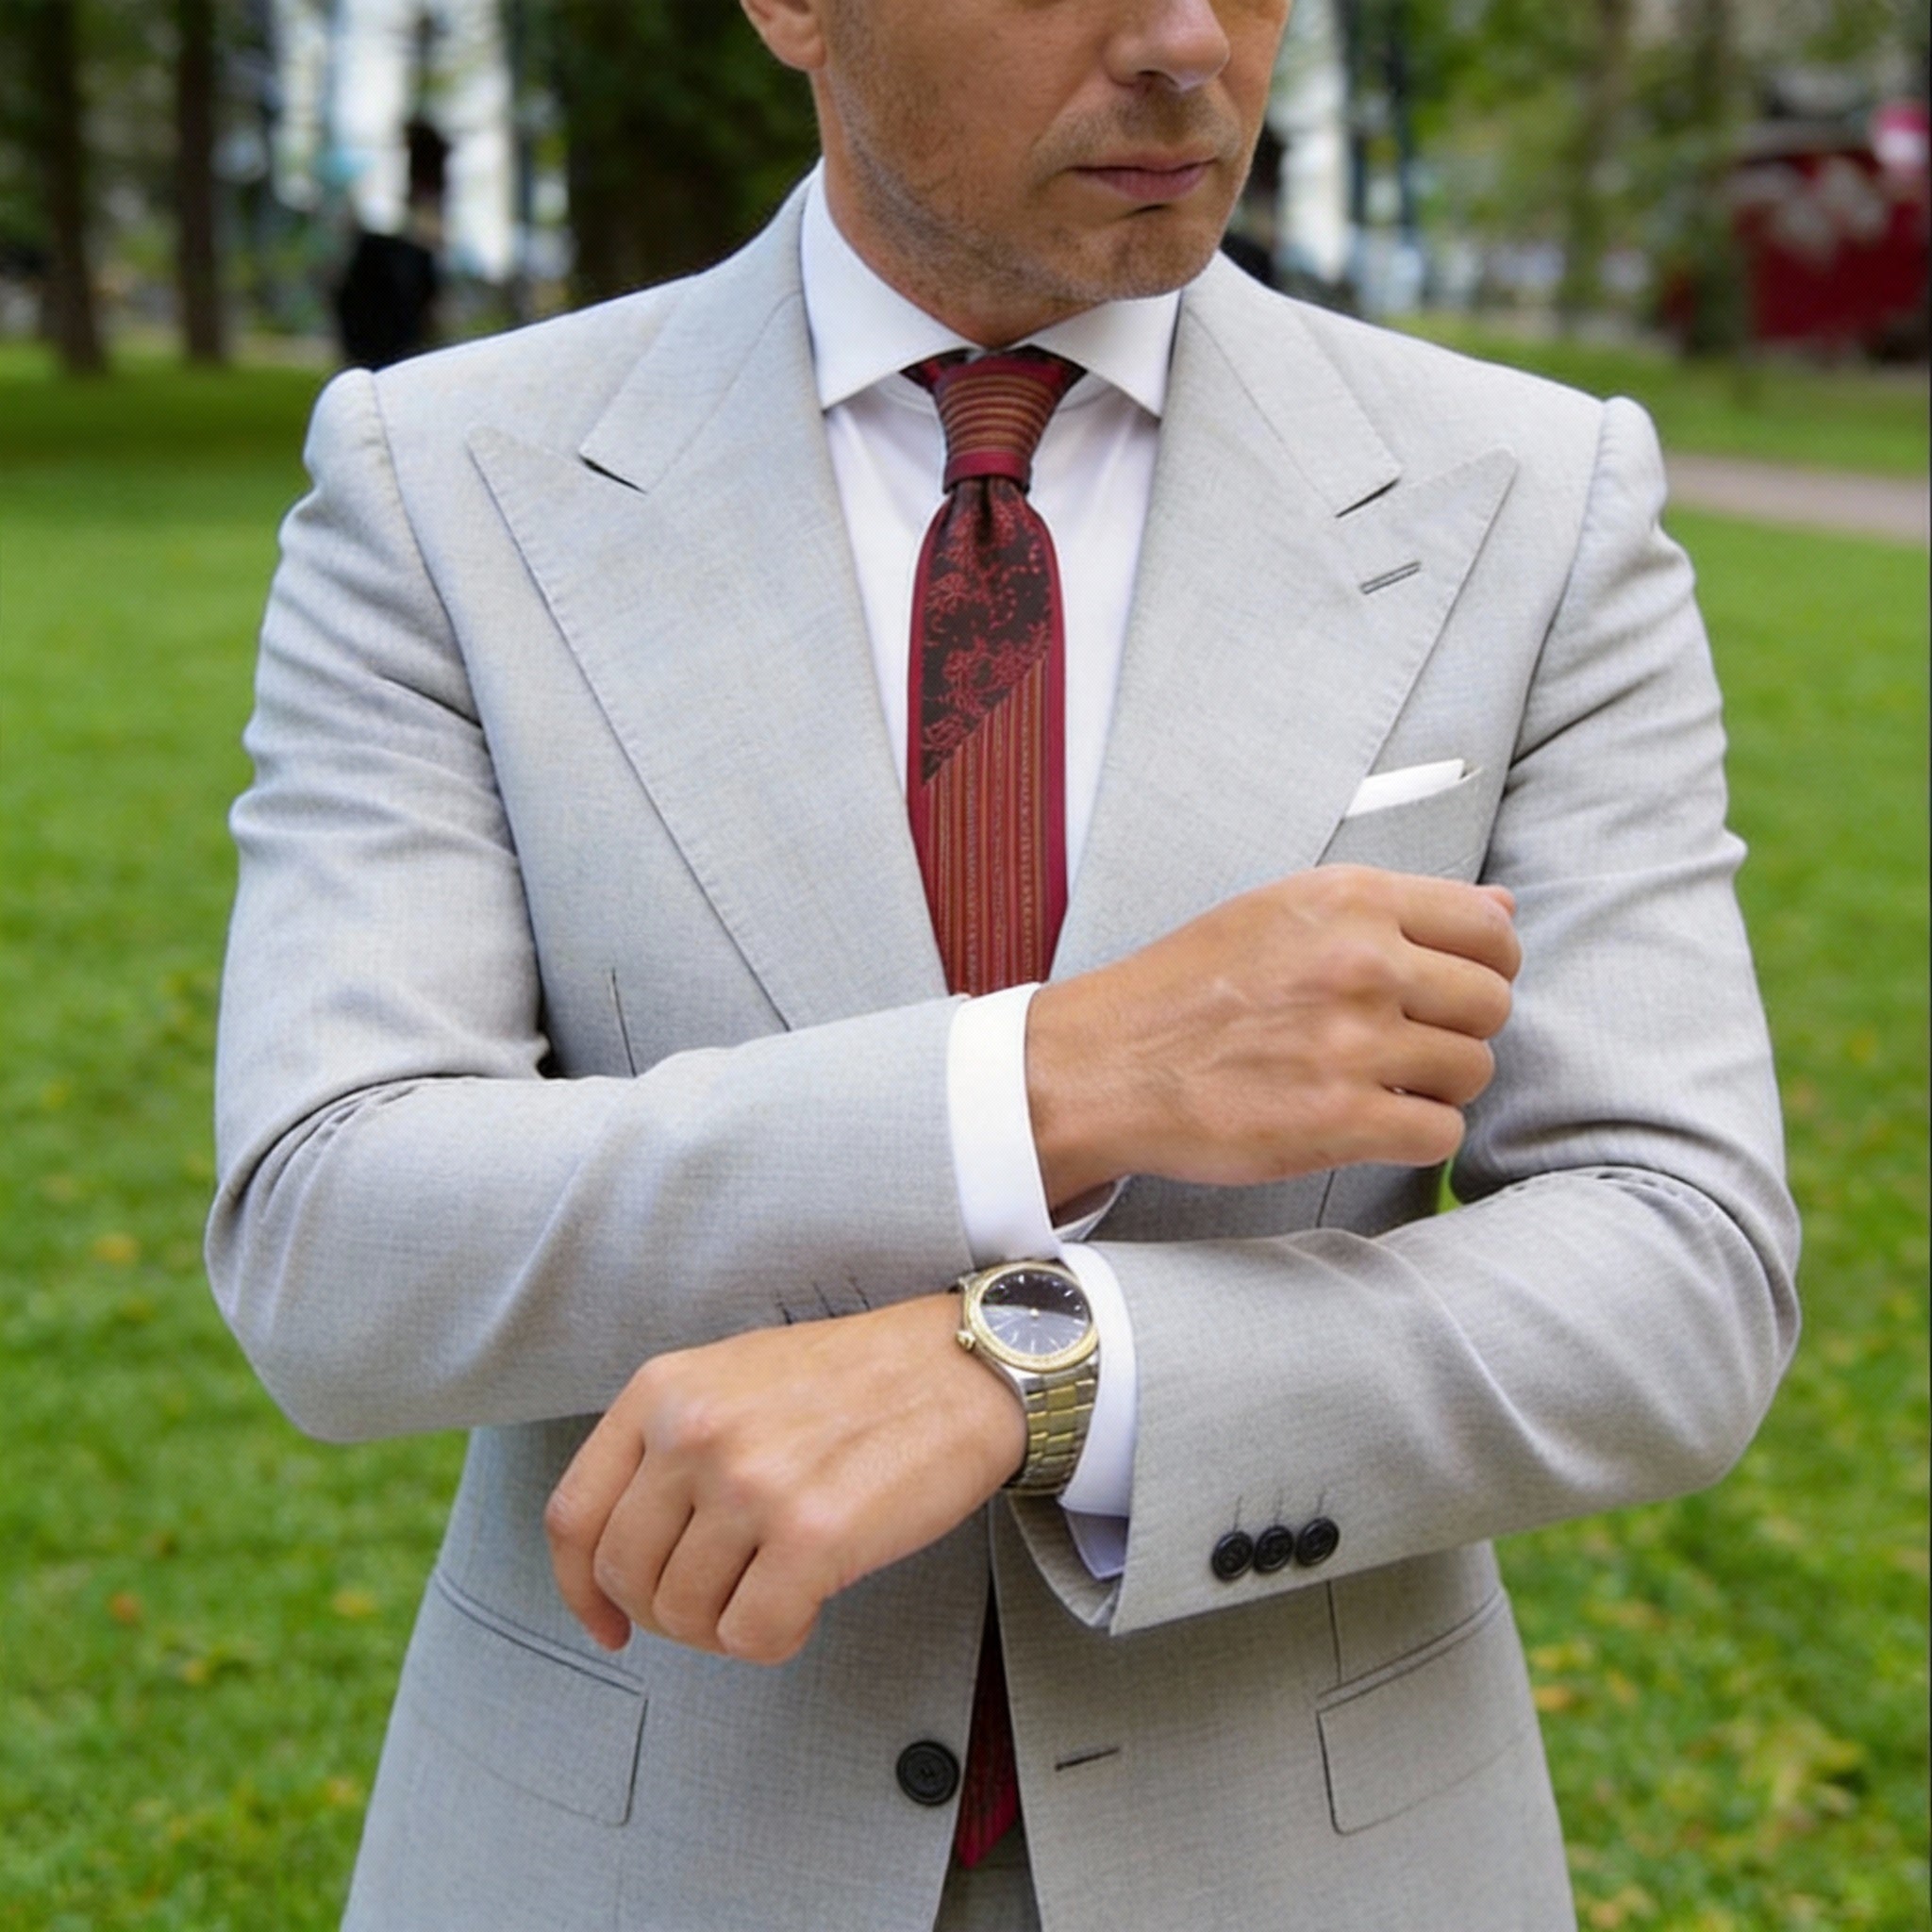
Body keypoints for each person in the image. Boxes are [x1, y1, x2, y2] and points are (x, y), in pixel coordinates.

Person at [207, 2, 1799, 1927]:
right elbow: (330, 1235)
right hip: (635, 1855)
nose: (1185, 40)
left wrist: (1040, 1373)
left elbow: (1676, 1263)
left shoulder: (1531, 499)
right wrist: (1050, 1079)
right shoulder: (447, 483)